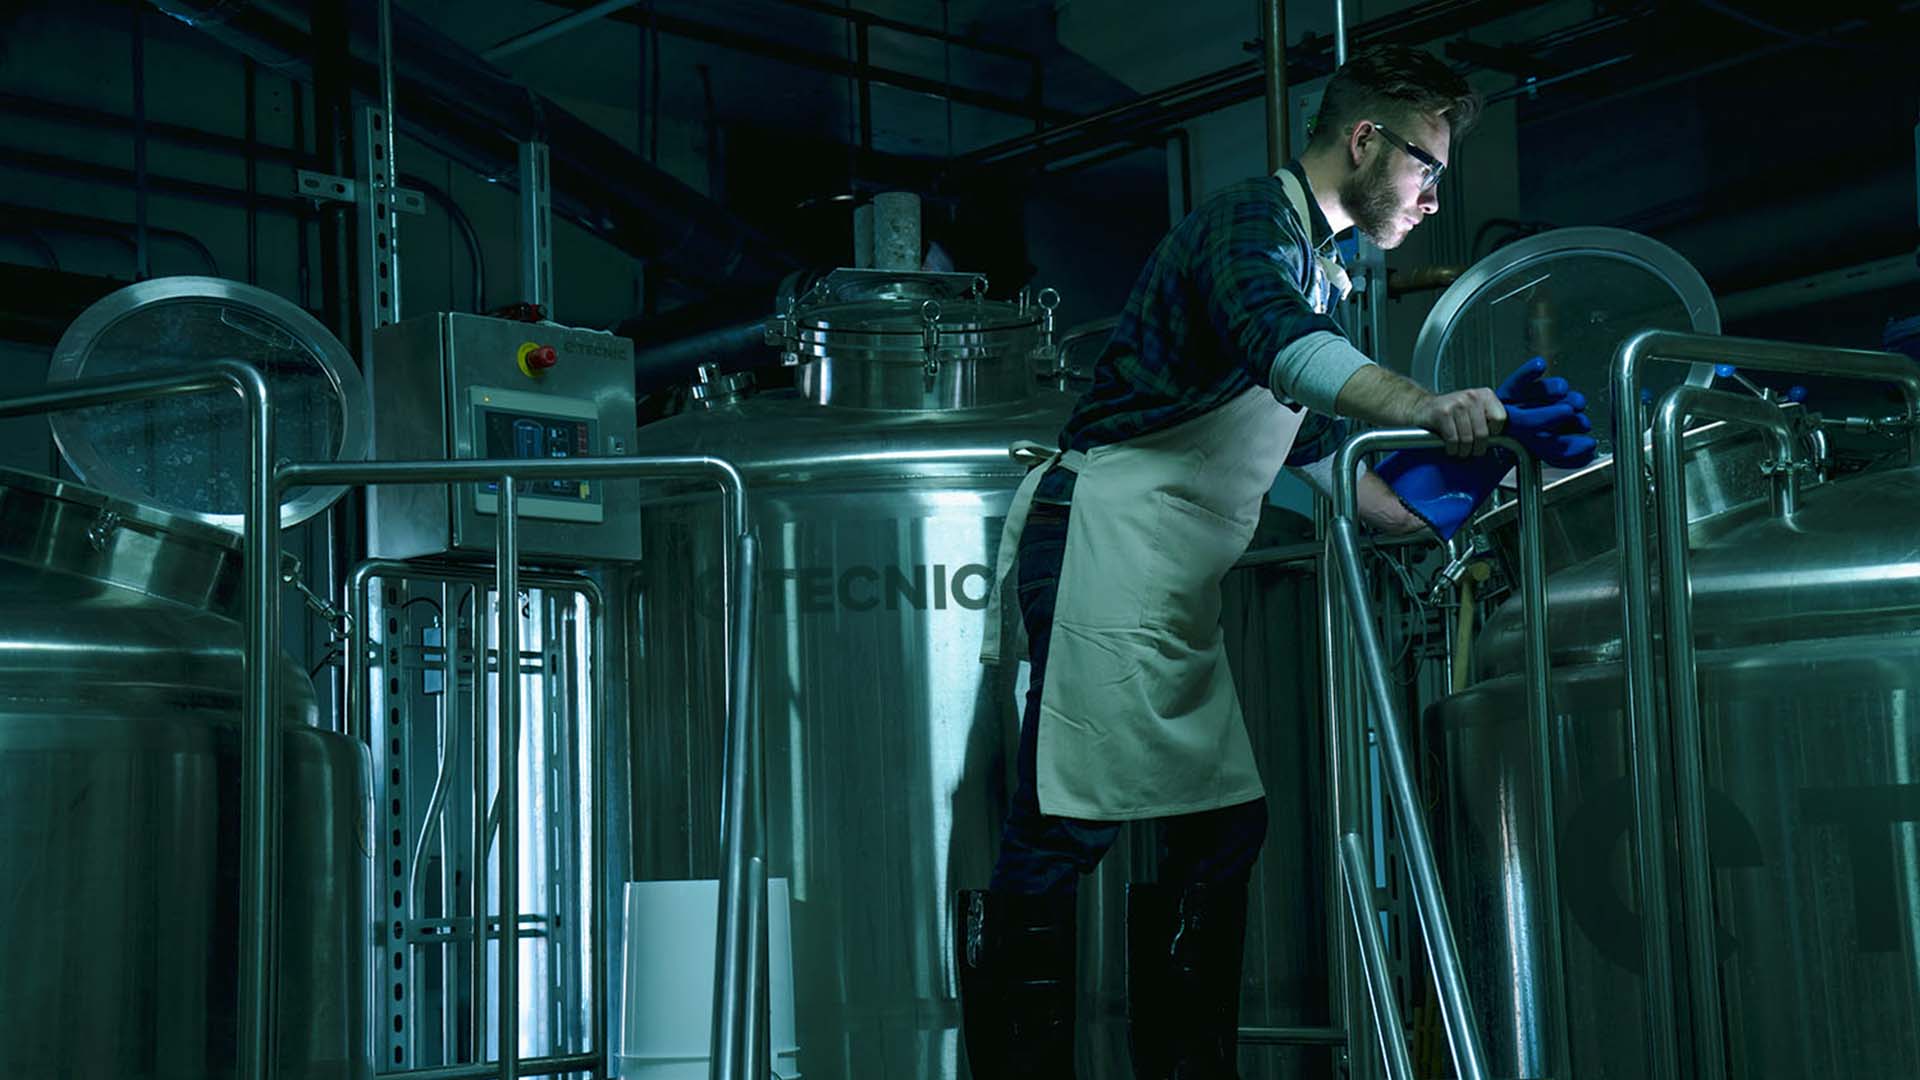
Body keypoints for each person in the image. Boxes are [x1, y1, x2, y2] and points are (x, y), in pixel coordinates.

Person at [959, 44, 1591, 1079]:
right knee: (1063, 829)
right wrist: (1426, 405)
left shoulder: (1322, 268)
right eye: (1427, 168)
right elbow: (1285, 347)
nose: (1434, 198)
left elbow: (1317, 458)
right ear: (1363, 139)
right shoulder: (1252, 226)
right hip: (1105, 542)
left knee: (1222, 828)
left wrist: (1470, 494)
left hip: (1169, 577)